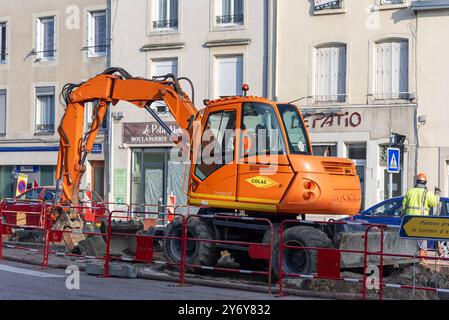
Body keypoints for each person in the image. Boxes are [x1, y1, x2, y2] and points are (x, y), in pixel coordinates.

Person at [402, 172, 441, 258]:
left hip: (409, 224)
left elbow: (403, 208)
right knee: (422, 248)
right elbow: (435, 202)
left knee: (409, 248)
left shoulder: (409, 192)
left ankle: (410, 264)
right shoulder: (427, 193)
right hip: (421, 224)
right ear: (425, 182)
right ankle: (421, 264)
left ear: (417, 181)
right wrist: (437, 193)